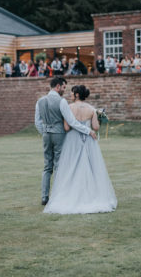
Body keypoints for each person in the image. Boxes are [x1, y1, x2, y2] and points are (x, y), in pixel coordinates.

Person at [43, 85, 117, 214]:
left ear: (77, 94)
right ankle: (92, 195)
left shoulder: (69, 108)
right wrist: (99, 119)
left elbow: (66, 128)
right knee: (91, 167)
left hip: (73, 140)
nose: (70, 95)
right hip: (89, 140)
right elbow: (95, 127)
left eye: (72, 93)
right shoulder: (92, 109)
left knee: (71, 167)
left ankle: (71, 195)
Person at [35, 77, 98, 206]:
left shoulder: (40, 101)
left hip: (46, 135)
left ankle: (44, 197)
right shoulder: (61, 101)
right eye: (63, 87)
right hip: (59, 135)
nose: (64, 90)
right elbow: (72, 122)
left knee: (47, 166)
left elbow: (37, 121)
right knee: (59, 165)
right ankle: (57, 195)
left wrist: (45, 132)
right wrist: (88, 130)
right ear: (57, 86)